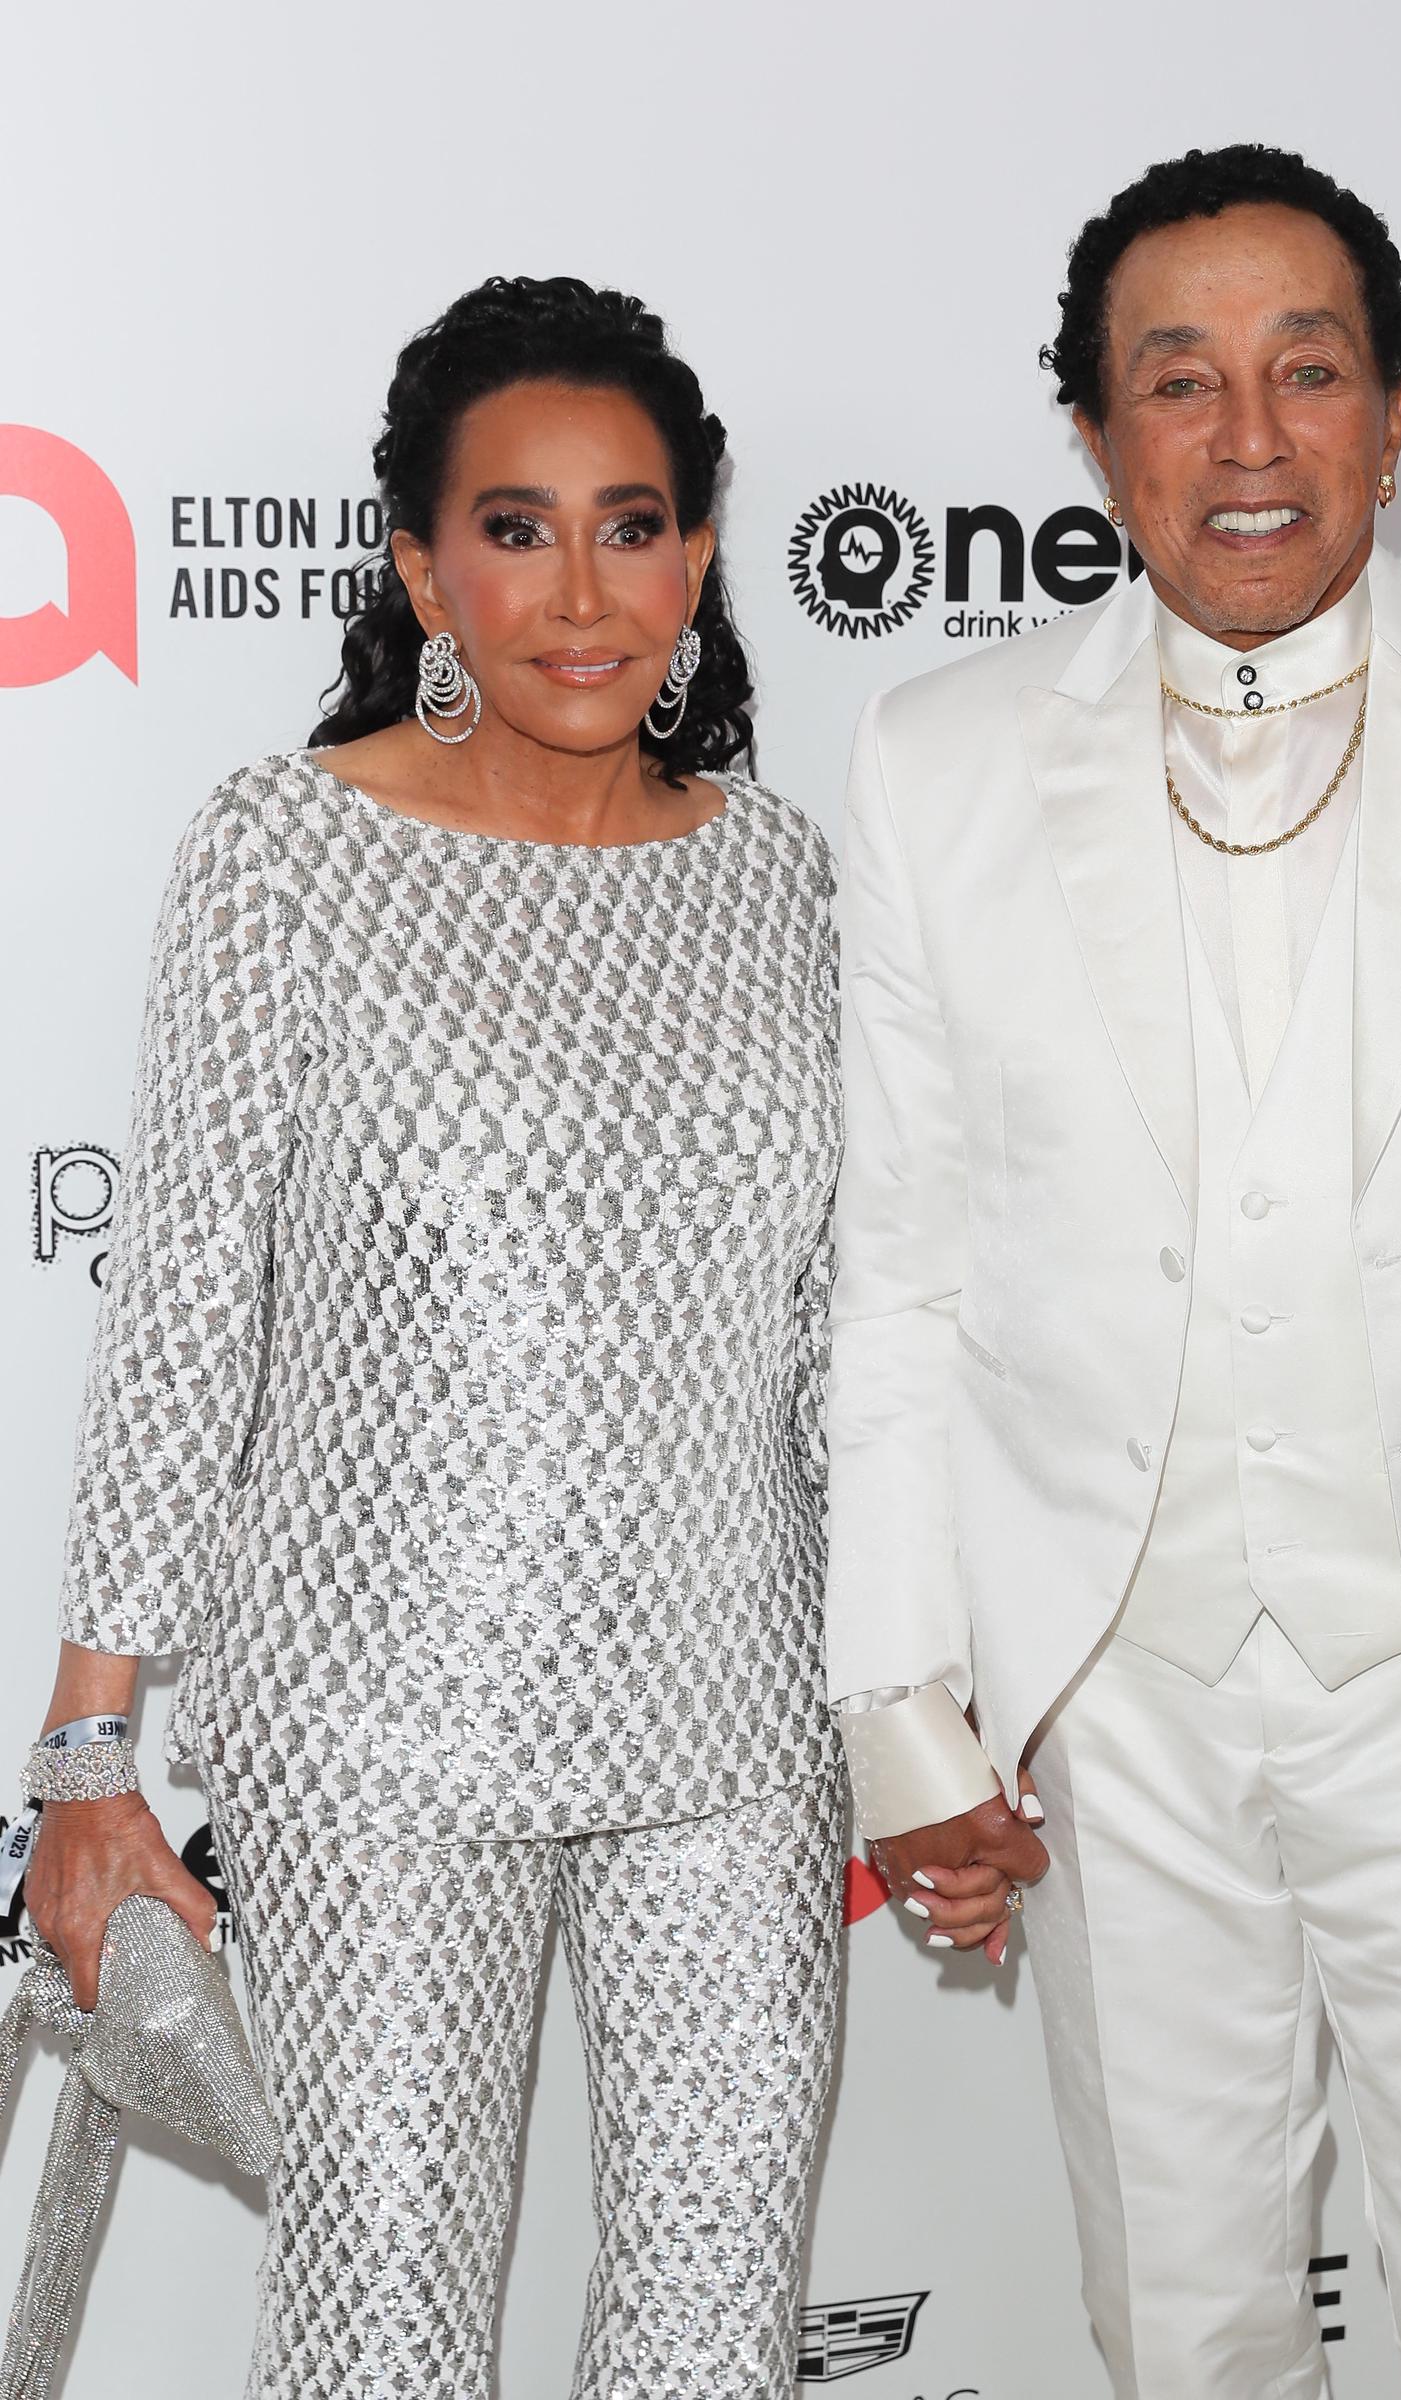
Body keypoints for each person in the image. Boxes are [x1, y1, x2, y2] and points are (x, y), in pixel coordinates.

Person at [825, 145, 1401, 2396]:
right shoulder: (935, 762)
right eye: (1179, 381)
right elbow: (904, 1286)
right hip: (1114, 1697)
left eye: (1305, 371)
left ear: (1395, 409)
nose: (1246, 438)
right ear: (1091, 434)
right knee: (1177, 2333)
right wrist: (901, 1705)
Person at [24, 275, 843, 2399]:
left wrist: (934, 1684)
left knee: (714, 2337)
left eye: (634, 523)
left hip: (735, 1721)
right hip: (380, 1734)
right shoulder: (285, 857)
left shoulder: (781, 882)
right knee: (380, 2342)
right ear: (417, 564)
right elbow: (189, 1305)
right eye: (514, 527)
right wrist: (92, 1756)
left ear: (698, 551)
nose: (582, 593)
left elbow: (846, 1335)